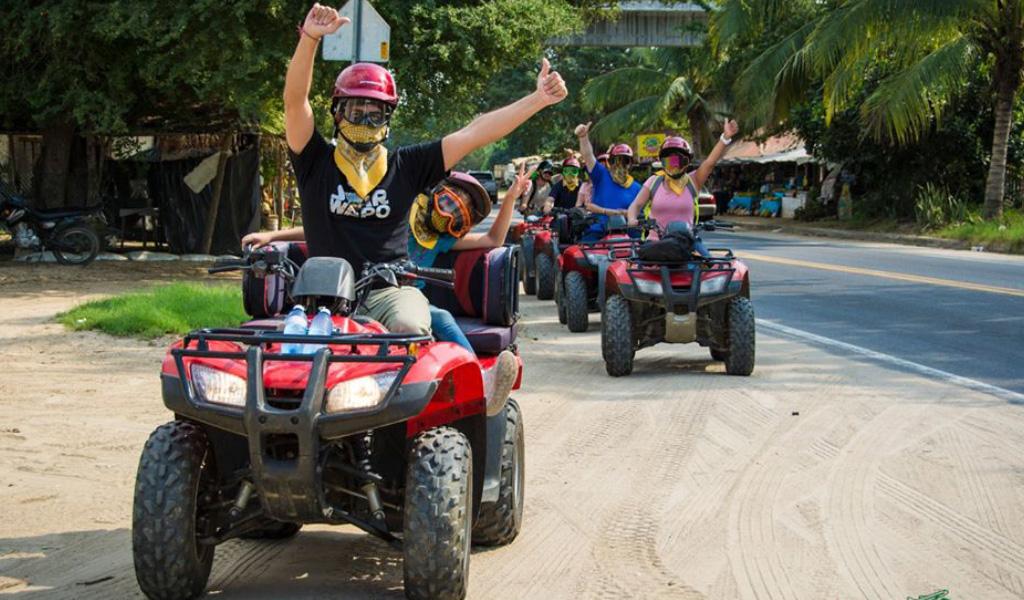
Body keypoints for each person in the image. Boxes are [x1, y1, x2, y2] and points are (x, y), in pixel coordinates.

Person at [241, 3, 567, 336]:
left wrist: (538, 99)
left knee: (409, 325)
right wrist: (310, 38)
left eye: (376, 113)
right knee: (292, 349)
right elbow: (295, 102)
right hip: (321, 297)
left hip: (390, 292)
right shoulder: (314, 161)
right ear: (337, 113)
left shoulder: (407, 165)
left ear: (388, 119)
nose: (365, 120)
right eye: (356, 110)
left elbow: (474, 133)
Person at [408, 167, 528, 351]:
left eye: (456, 214)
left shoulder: (440, 240)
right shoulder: (403, 214)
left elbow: (493, 239)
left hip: (409, 298)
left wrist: (510, 198)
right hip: (371, 287)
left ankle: (474, 368)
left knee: (443, 319)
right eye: (446, 203)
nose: (446, 214)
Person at [627, 121, 740, 239]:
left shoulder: (694, 180)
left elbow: (710, 163)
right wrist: (632, 219)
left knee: (705, 252)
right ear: (662, 162)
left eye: (680, 161)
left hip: (686, 242)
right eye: (669, 161)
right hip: (656, 242)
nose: (674, 166)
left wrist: (725, 138)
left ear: (688, 162)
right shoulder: (654, 181)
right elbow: (636, 205)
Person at [575, 122, 642, 241]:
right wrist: (583, 138)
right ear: (610, 163)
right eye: (616, 161)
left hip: (627, 236)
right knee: (581, 250)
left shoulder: (638, 188)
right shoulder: (601, 175)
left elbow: (636, 215)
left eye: (625, 161)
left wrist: (602, 211)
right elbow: (588, 156)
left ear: (630, 164)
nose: (620, 165)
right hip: (598, 232)